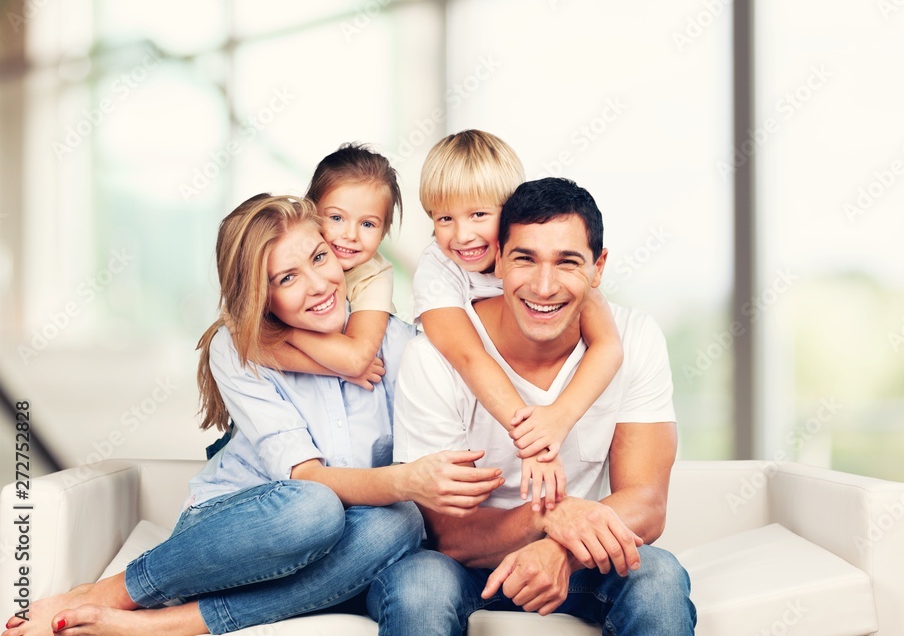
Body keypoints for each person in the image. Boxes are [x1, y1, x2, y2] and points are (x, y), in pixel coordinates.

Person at [3, 194, 503, 636]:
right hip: (249, 533)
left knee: (409, 543)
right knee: (315, 506)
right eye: (287, 278)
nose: (318, 285)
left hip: (363, 547)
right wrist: (406, 481)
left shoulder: (400, 344)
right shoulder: (239, 348)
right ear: (260, 296)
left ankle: (172, 626)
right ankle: (111, 594)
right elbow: (310, 479)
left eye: (320, 257)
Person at [368, 178, 697, 635]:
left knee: (657, 575)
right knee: (419, 585)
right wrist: (547, 515)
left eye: (568, 262)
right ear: (498, 258)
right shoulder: (432, 356)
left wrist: (559, 548)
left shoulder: (635, 338)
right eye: (525, 258)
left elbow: (647, 502)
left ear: (598, 268)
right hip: (464, 566)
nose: (544, 286)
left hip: (578, 557)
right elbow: (449, 535)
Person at [413, 130, 624, 511]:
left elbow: (608, 346)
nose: (462, 235)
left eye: (478, 214)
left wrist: (558, 419)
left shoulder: (550, 264)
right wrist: (533, 443)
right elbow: (468, 357)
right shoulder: (438, 269)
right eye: (444, 218)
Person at [243, 143, 403, 390]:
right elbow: (249, 345)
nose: (351, 235)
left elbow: (356, 360)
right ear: (311, 212)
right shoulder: (281, 254)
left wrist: (282, 331)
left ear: (383, 233)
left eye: (368, 224)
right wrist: (337, 371)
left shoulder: (375, 276)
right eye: (337, 218)